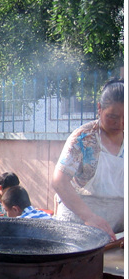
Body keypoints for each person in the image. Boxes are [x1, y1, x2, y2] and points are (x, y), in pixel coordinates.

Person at [52, 78, 124, 240]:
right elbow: (59, 181)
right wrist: (89, 217)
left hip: (117, 234)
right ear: (99, 108)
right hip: (78, 228)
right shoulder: (83, 138)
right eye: (112, 116)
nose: (120, 123)